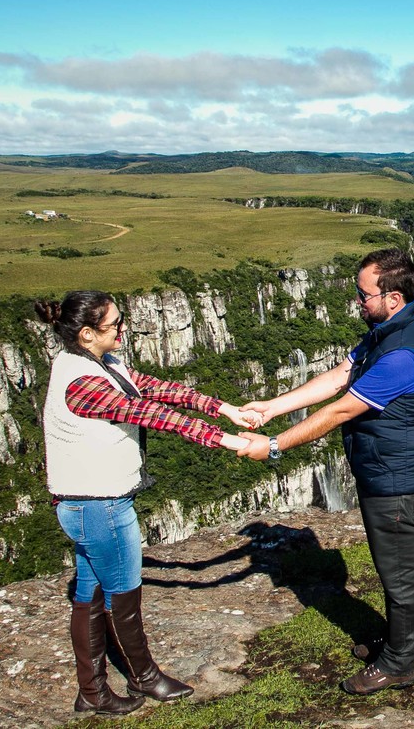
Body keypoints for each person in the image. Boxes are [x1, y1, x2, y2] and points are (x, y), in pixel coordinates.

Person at [237, 248, 414, 695]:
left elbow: (341, 408)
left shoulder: (404, 355)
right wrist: (272, 407)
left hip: (398, 479)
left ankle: (399, 663)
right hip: (391, 465)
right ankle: (394, 642)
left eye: (363, 294)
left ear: (392, 297)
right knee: (391, 566)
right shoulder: (394, 328)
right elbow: (342, 374)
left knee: (399, 572)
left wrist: (274, 446)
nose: (358, 302)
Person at [35, 290, 257, 716]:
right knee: (123, 593)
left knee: (89, 591)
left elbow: (160, 390)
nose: (124, 328)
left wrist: (223, 408)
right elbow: (153, 414)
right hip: (98, 505)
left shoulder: (98, 364)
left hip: (88, 503)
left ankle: (92, 691)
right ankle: (143, 677)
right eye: (115, 324)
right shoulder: (82, 384)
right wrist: (228, 440)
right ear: (86, 334)